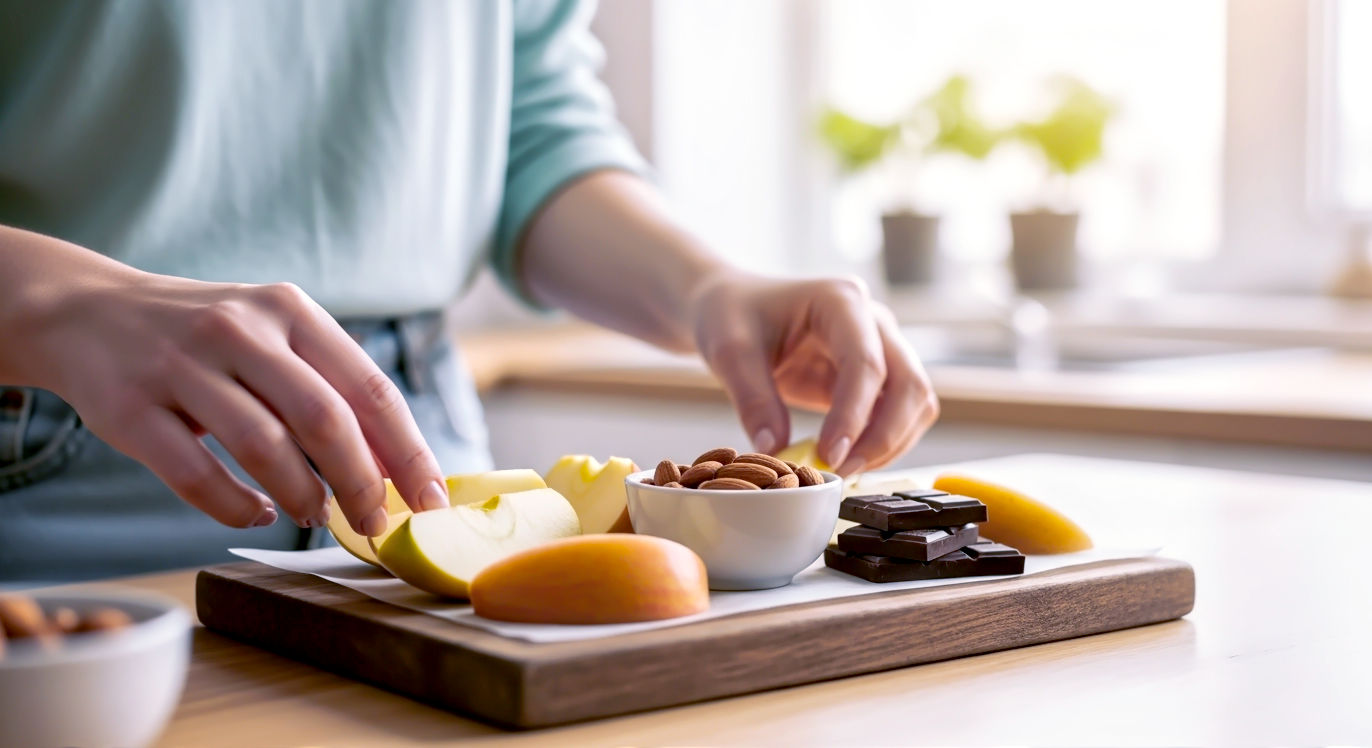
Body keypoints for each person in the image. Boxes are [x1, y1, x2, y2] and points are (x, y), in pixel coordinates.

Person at [0, 1, 938, 583]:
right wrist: (51, 302)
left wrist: (709, 289)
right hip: (59, 467)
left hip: (424, 451)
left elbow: (530, 128)